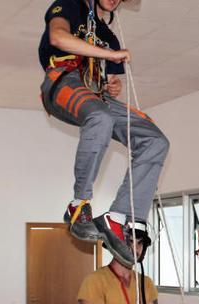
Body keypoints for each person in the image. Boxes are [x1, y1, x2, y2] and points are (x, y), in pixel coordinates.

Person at [39, 0, 169, 267]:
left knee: (156, 141)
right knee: (101, 117)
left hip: (96, 95)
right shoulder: (70, 6)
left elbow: (108, 80)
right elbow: (58, 36)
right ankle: (79, 204)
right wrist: (108, 55)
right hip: (62, 82)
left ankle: (119, 217)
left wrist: (112, 83)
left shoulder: (108, 36)